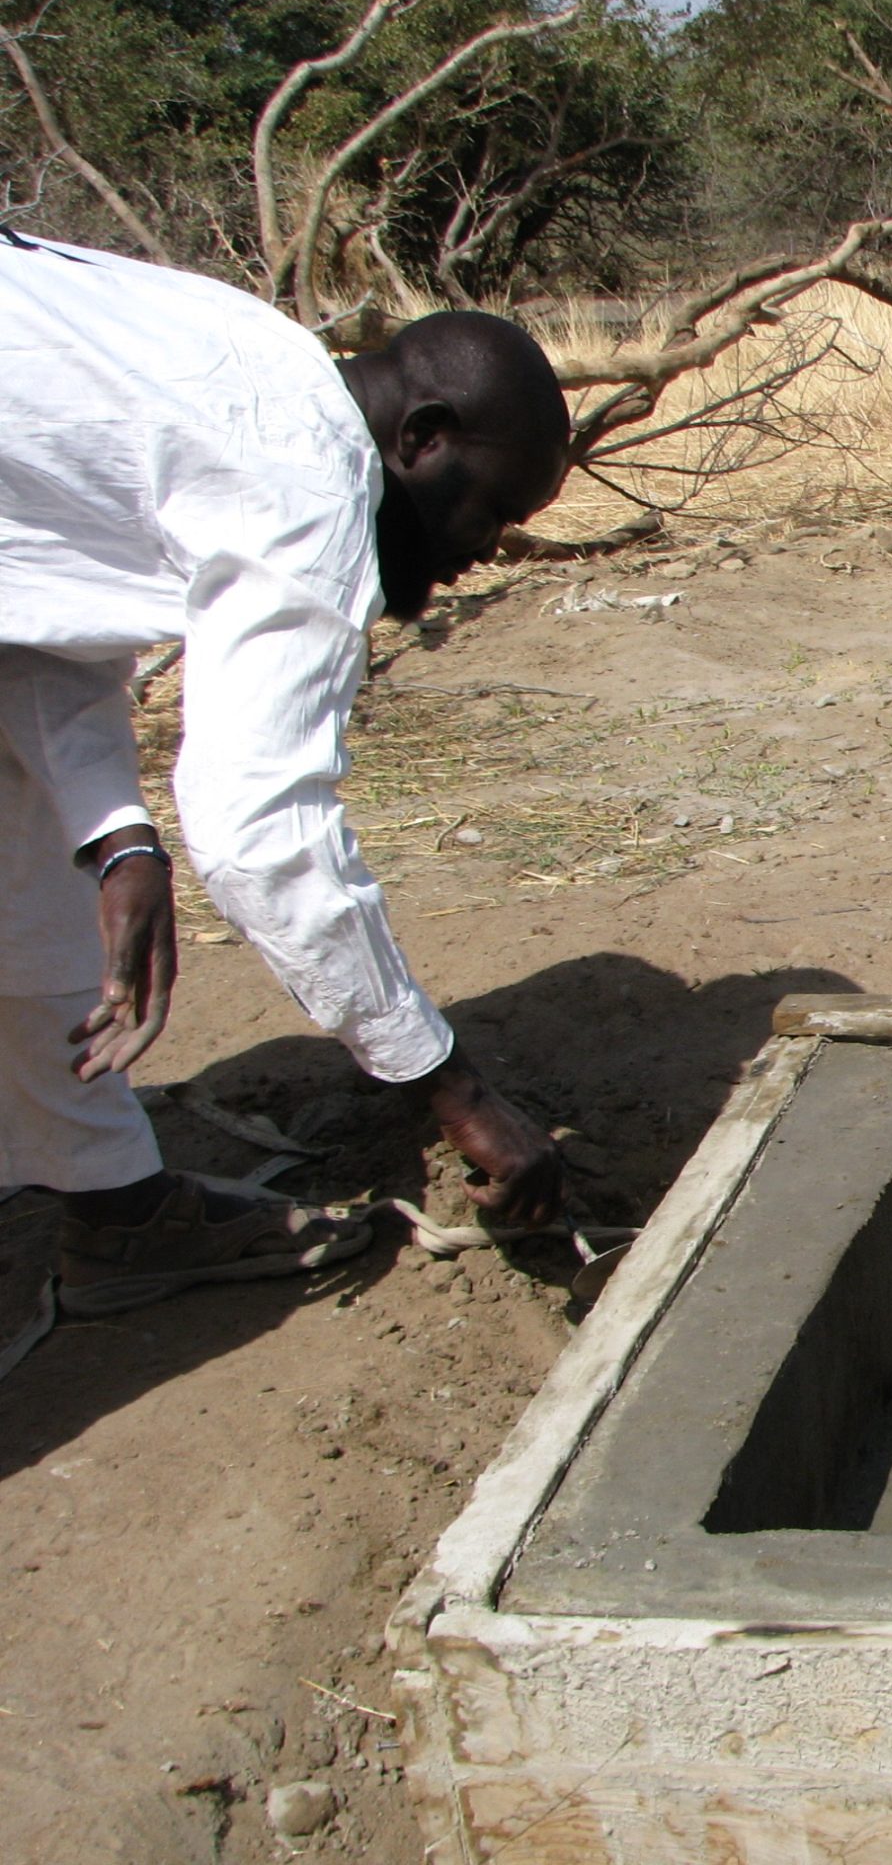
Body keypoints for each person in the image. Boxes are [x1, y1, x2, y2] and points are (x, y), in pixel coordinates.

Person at [0, 227, 573, 1376]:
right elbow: (261, 831)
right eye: (494, 511)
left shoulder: (247, 360)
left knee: (26, 854)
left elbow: (37, 615)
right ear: (422, 438)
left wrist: (115, 836)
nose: (486, 550)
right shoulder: (308, 479)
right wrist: (450, 1086)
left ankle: (116, 1211)